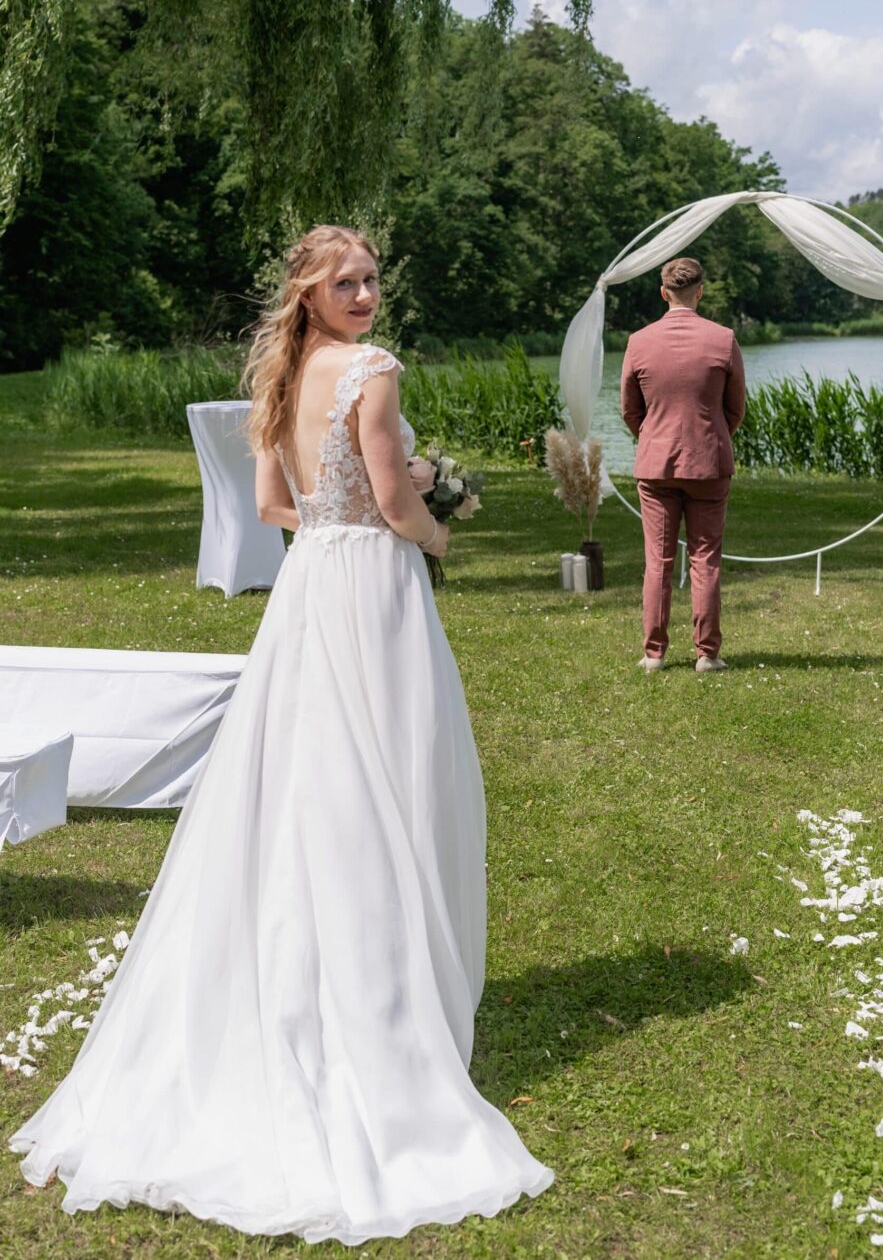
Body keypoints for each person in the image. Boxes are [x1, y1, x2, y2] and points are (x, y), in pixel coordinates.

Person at [10, 225, 552, 1241]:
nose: (365, 295)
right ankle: (382, 998)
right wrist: (440, 529)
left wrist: (341, 518)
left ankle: (311, 979)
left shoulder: (279, 377)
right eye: (346, 282)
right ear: (308, 290)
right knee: (384, 776)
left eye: (372, 279)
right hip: (376, 596)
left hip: (309, 591)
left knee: (306, 782)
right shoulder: (374, 373)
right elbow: (393, 502)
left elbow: (275, 508)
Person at [620, 256, 746, 673]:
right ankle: (707, 654)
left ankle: (654, 654)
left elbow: (629, 410)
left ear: (663, 293)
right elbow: (735, 409)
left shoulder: (639, 341)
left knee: (657, 559)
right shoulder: (724, 338)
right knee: (706, 557)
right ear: (700, 291)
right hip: (709, 464)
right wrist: (709, 440)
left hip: (655, 465)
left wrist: (654, 439)